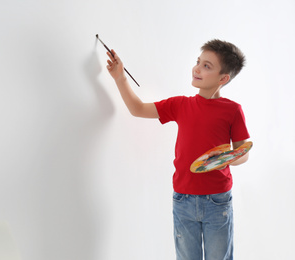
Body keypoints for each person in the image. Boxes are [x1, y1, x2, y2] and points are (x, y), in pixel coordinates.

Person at [105, 39, 250, 260]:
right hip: (183, 200)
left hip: (218, 201)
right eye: (198, 62)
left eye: (206, 66)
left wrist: (224, 159)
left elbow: (243, 153)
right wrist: (120, 77)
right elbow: (137, 108)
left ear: (223, 78)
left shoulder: (232, 110)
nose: (197, 68)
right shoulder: (180, 105)